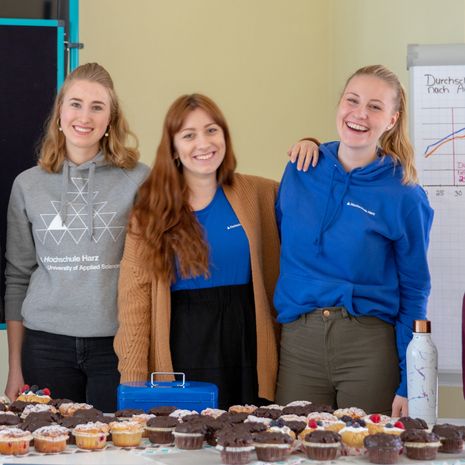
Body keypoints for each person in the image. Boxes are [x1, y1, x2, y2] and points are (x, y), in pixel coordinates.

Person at [114, 94, 318, 409]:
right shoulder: (149, 214)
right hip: (182, 350)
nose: (203, 143)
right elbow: (134, 307)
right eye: (188, 135)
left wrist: (312, 145)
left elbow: (313, 193)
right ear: (174, 148)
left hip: (247, 344)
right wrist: (132, 385)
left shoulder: (259, 193)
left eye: (212, 130)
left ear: (224, 135)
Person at [274, 65, 434, 416]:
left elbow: (415, 290)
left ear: (391, 120)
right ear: (339, 106)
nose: (360, 114)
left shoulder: (404, 195)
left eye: (375, 107)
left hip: (368, 346)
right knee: (292, 449)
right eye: (353, 100)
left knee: (366, 451)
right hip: (300, 342)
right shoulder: (300, 170)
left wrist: (411, 382)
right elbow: (280, 242)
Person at [4, 63, 149, 412]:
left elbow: (150, 274)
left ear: (110, 119)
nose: (85, 116)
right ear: (59, 113)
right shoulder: (27, 184)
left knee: (117, 451)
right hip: (44, 346)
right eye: (76, 103)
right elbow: (17, 277)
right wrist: (14, 369)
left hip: (116, 347)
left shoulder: (141, 179)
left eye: (97, 107)